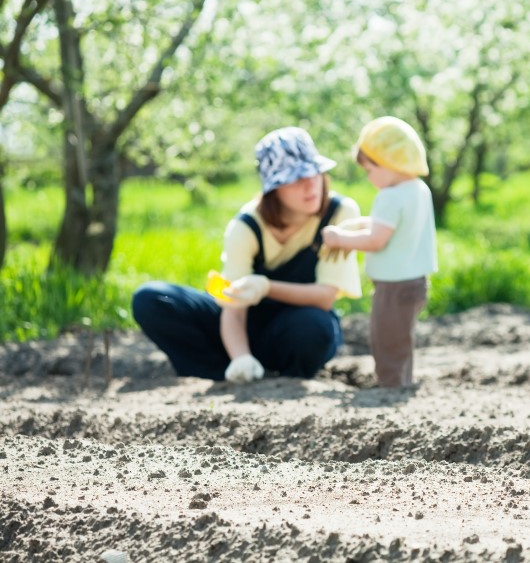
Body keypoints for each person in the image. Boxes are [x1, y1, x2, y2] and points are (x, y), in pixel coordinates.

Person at [132, 127, 363, 383]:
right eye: (296, 178)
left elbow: (325, 298)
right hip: (246, 327)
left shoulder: (339, 213)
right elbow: (233, 306)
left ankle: (287, 379)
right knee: (151, 299)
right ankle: (228, 372)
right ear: (273, 188)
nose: (310, 185)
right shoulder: (247, 226)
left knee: (313, 327)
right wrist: (240, 355)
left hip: (298, 326)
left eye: (315, 173)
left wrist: (265, 287)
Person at [320, 116, 437, 389]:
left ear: (388, 163)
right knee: (401, 337)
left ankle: (391, 386)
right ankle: (402, 379)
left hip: (394, 286)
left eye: (370, 170)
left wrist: (340, 237)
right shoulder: (418, 189)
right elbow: (392, 228)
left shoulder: (390, 196)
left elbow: (376, 241)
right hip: (416, 281)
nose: (369, 177)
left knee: (386, 338)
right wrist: (357, 225)